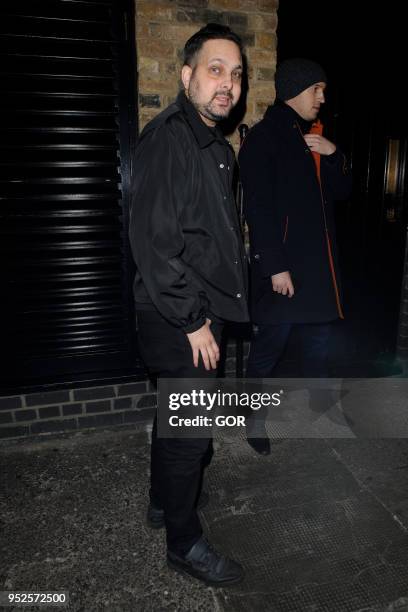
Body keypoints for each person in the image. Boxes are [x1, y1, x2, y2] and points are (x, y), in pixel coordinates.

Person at [129, 24, 249, 585]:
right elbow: (155, 241)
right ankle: (184, 543)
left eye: (236, 73)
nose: (228, 84)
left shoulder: (211, 143)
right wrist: (194, 320)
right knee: (191, 434)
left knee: (173, 420)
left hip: (192, 311)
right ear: (187, 75)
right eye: (215, 69)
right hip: (181, 315)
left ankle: (161, 503)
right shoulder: (170, 137)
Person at [239, 58, 352, 454]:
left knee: (318, 344)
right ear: (295, 89)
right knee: (269, 349)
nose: (322, 98)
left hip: (317, 270)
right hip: (285, 270)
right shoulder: (266, 137)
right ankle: (254, 420)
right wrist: (276, 266)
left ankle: (322, 405)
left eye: (323, 90)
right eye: (316, 90)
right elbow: (258, 207)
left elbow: (339, 193)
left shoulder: (312, 137)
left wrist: (333, 153)